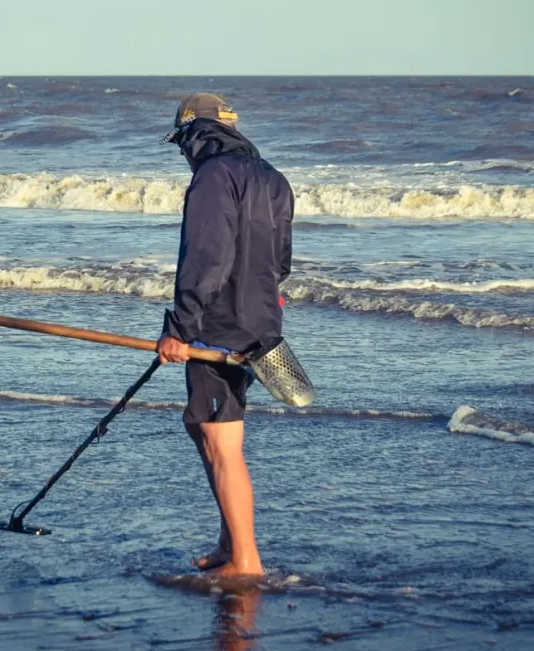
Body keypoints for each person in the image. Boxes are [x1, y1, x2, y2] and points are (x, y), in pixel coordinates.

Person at [156, 93, 294, 577]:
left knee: (220, 440)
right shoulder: (274, 178)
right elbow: (282, 264)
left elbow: (206, 260)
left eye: (182, 143)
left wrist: (180, 329)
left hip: (217, 328)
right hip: (261, 325)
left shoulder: (213, 178)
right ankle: (229, 542)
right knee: (205, 426)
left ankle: (246, 562)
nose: (183, 153)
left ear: (197, 134)